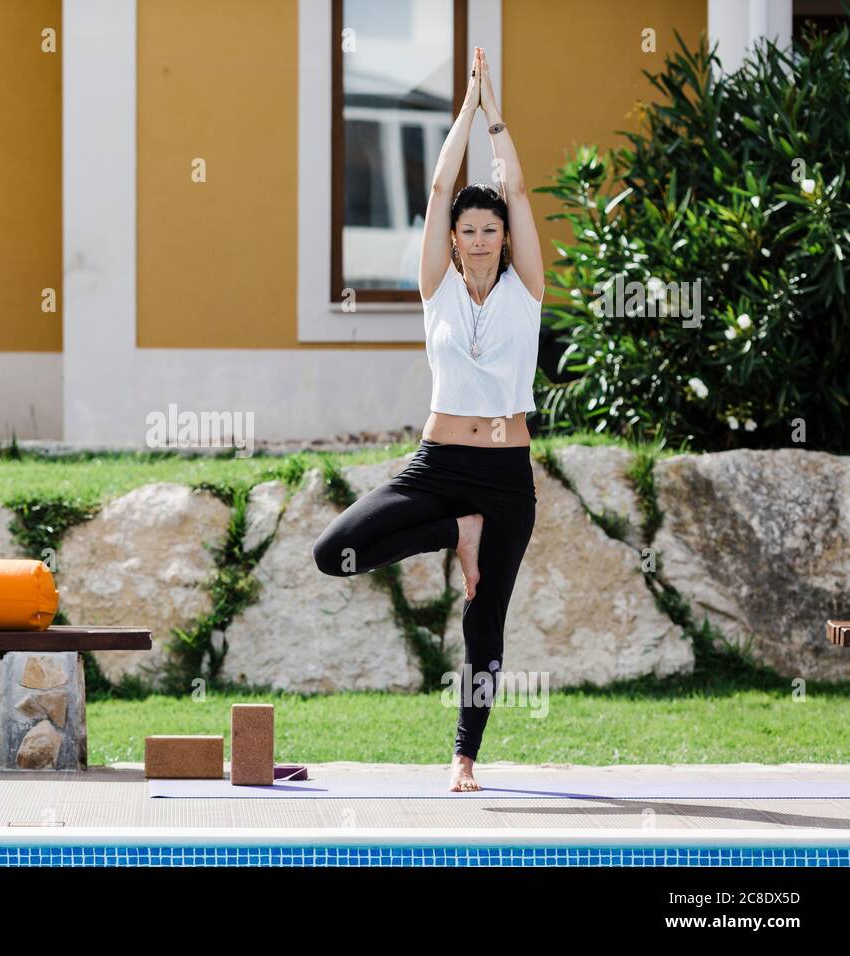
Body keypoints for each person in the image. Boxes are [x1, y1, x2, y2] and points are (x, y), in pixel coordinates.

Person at [312, 47, 543, 793]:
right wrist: (465, 112)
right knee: (335, 551)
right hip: (438, 466)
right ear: (451, 238)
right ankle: (454, 533)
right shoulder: (436, 291)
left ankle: (464, 756)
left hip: (506, 476)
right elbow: (442, 183)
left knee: (485, 624)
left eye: (489, 230)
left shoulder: (526, 293)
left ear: (504, 239)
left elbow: (520, 194)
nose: (477, 238)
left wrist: (498, 118)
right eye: (466, 229)